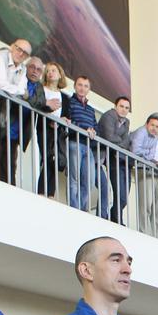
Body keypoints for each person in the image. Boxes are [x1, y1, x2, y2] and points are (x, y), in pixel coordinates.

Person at [0, 38, 30, 181]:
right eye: (19, 49)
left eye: (25, 53)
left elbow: (23, 90)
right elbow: (0, 84)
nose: (21, 54)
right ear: (12, 46)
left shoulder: (23, 68)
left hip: (4, 110)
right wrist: (18, 91)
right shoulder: (0, 57)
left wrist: (17, 91)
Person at [65, 75, 107, 218]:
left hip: (87, 146)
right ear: (75, 86)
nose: (82, 88)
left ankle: (81, 209)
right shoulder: (69, 102)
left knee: (88, 181)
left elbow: (95, 126)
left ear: (89, 89)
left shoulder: (90, 109)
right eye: (80, 85)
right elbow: (68, 122)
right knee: (74, 179)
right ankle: (74, 209)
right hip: (74, 143)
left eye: (85, 86)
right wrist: (84, 129)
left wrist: (93, 131)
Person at [130, 113, 158, 237]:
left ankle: (153, 235)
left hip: (150, 169)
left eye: (157, 126)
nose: (154, 128)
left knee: (157, 209)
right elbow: (135, 151)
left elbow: (151, 156)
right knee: (146, 205)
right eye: (152, 125)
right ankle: (144, 233)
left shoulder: (155, 137)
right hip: (141, 169)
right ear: (146, 124)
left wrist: (148, 156)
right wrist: (147, 155)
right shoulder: (141, 132)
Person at [97, 95, 133, 225]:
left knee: (123, 197)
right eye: (121, 106)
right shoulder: (109, 116)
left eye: (127, 108)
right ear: (115, 106)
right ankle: (115, 217)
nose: (124, 110)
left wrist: (121, 143)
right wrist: (122, 142)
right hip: (106, 156)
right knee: (118, 193)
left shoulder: (126, 122)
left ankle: (116, 216)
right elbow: (109, 137)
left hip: (119, 159)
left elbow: (125, 142)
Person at [35, 62, 68, 199]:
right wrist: (50, 120)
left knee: (56, 161)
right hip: (44, 128)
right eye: (48, 71)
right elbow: (38, 106)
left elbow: (67, 114)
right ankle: (42, 192)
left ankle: (51, 194)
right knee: (48, 158)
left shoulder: (65, 97)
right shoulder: (41, 89)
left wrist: (65, 120)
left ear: (60, 75)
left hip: (58, 132)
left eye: (54, 70)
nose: (50, 73)